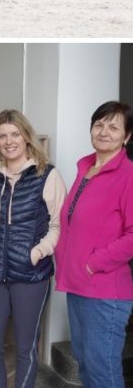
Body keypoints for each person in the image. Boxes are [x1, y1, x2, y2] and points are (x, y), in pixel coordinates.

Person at [0, 109, 65, 388]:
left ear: (26, 137)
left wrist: (36, 253)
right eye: (2, 136)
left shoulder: (47, 175)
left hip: (31, 276)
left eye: (15, 134)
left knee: (25, 347)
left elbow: (60, 226)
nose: (8, 141)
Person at [55, 101, 133, 388]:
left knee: (103, 371)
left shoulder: (129, 175)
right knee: (86, 365)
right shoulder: (85, 169)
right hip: (77, 285)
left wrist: (92, 263)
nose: (104, 131)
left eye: (114, 127)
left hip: (105, 291)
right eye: (99, 124)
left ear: (126, 137)